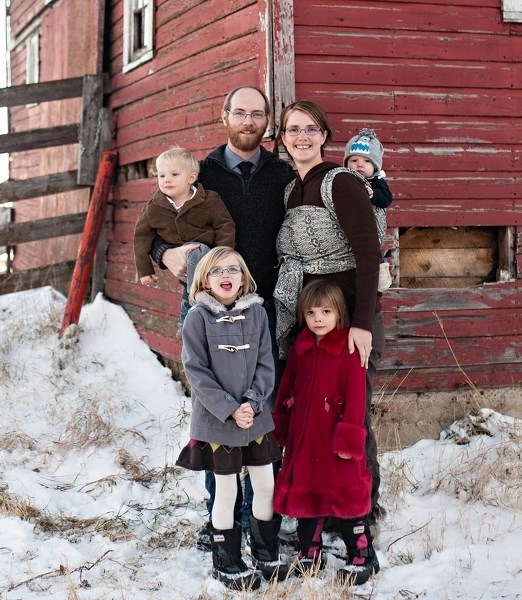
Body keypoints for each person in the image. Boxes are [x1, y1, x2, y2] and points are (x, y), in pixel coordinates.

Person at [150, 86, 296, 543]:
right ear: (224, 116)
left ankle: (262, 516)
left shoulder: (281, 173)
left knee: (258, 404)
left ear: (267, 122)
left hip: (263, 305)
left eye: (257, 113)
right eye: (240, 112)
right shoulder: (202, 172)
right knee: (217, 411)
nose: (248, 120)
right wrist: (161, 253)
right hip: (206, 305)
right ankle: (222, 518)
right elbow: (157, 220)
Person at [272, 100, 386, 523]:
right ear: (282, 138)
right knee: (314, 419)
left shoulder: (340, 182)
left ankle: (364, 509)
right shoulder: (292, 189)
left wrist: (362, 325)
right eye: (293, 129)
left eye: (310, 129)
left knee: (351, 414)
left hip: (352, 319)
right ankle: (323, 506)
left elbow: (368, 253)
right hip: (314, 320)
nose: (301, 137)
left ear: (324, 135)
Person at [175, 246, 288, 589]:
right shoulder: (197, 318)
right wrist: (229, 408)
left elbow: (266, 365)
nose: (226, 276)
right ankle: (227, 560)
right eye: (217, 271)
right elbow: (196, 371)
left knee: (265, 485)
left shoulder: (256, 315)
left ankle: (266, 552)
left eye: (233, 270)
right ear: (205, 281)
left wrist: (252, 404)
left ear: (244, 279)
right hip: (217, 421)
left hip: (254, 418)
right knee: (226, 491)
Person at [272, 280, 380, 585]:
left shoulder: (348, 348)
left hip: (336, 440)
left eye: (325, 311)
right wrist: (282, 419)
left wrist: (349, 435)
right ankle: (310, 552)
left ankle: (361, 554)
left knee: (344, 496)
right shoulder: (301, 348)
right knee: (308, 494)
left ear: (339, 313)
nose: (318, 318)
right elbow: (287, 385)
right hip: (305, 439)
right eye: (311, 312)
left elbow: (357, 396)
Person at [133, 146, 235, 323]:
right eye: (161, 175)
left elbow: (225, 226)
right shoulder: (154, 207)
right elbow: (141, 237)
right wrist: (144, 270)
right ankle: (196, 308)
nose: (167, 180)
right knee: (190, 260)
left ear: (191, 178)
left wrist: (223, 256)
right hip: (183, 265)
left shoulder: (209, 199)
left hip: (209, 259)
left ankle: (197, 305)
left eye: (174, 174)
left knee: (198, 250)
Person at [344, 128, 393, 292]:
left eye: (366, 161)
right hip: (348, 230)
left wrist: (373, 194)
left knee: (372, 255)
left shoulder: (377, 182)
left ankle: (379, 277)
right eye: (354, 160)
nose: (359, 165)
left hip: (370, 231)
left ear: (375, 166)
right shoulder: (343, 180)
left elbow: (386, 199)